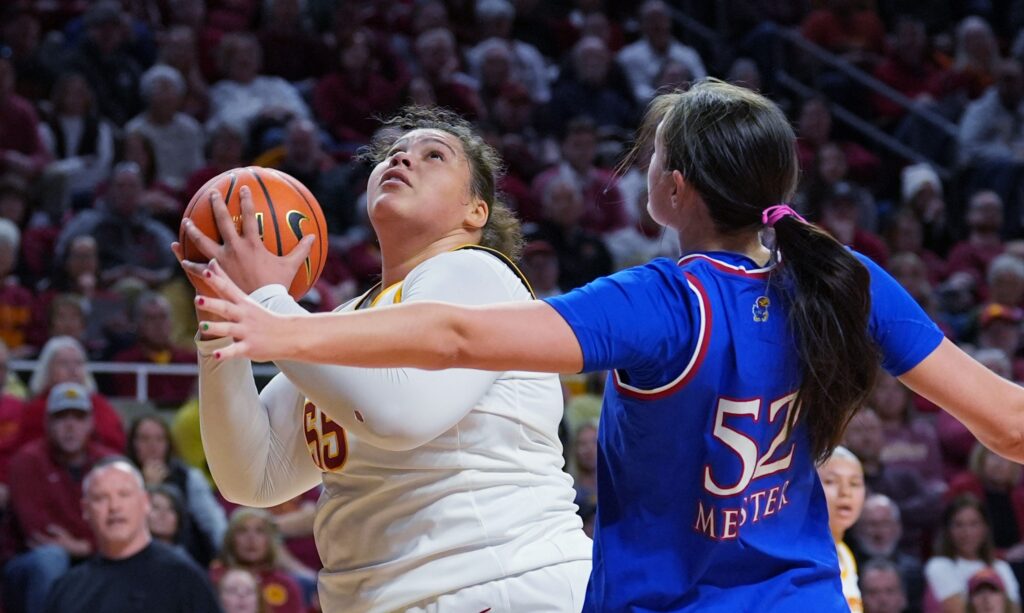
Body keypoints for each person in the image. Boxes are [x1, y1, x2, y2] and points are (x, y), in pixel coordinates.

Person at [190, 80, 1024, 610]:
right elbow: (1009, 425)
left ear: (670, 190)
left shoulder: (649, 301)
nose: (399, 159)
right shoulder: (848, 280)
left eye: (430, 151)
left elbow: (450, 344)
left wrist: (277, 314)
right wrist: (245, 319)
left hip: (523, 590)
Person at [176, 106, 591, 611]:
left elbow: (401, 415)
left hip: (497, 581)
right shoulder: (340, 322)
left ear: (475, 211)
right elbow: (255, 476)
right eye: (393, 152)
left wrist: (265, 300)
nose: (402, 158)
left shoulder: (480, 274)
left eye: (433, 155)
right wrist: (223, 316)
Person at [43, 458, 221, 612]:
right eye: (101, 498)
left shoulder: (183, 576)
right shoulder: (68, 589)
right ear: (85, 509)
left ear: (145, 502)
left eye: (124, 495)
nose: (114, 507)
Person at [3, 382, 115, 613]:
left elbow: (123, 524)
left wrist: (85, 546)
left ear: (91, 423)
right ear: (48, 423)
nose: (70, 426)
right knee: (52, 557)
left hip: (93, 554)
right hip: (27, 563)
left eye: (78, 417)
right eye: (62, 417)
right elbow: (40, 532)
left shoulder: (109, 462)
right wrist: (96, 538)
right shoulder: (27, 461)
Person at [925, 495, 1021, 611]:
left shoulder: (1001, 567)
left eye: (974, 524)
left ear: (985, 528)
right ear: (948, 530)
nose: (967, 533)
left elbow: (1014, 609)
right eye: (958, 525)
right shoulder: (939, 566)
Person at [818, 446, 867, 612]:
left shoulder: (845, 554)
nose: (845, 492)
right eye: (831, 481)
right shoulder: (804, 555)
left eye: (854, 483)